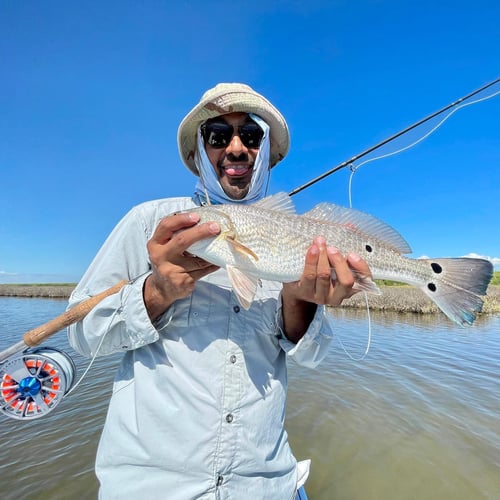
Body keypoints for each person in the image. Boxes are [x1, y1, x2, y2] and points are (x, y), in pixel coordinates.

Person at [68, 83, 371, 499]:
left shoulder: (298, 237)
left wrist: (299, 299)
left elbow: (314, 356)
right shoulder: (150, 221)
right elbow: (82, 335)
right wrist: (155, 292)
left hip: (265, 485)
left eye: (250, 136)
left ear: (264, 152)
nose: (235, 149)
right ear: (199, 152)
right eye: (217, 136)